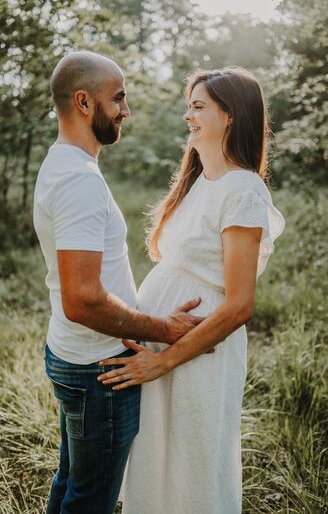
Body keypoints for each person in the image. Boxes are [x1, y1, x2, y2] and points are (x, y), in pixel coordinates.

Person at [97, 67, 286, 514]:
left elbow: (239, 306)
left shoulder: (243, 191)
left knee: (192, 470)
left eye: (199, 107)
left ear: (231, 116)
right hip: (166, 345)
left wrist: (162, 362)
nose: (188, 116)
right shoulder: (201, 179)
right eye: (190, 106)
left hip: (198, 354)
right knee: (160, 466)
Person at [33, 51, 204, 514]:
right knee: (90, 500)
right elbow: (83, 300)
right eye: (119, 98)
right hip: (98, 370)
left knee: (73, 482)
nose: (126, 111)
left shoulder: (64, 165)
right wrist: (163, 329)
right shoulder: (78, 182)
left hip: (76, 356)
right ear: (85, 102)